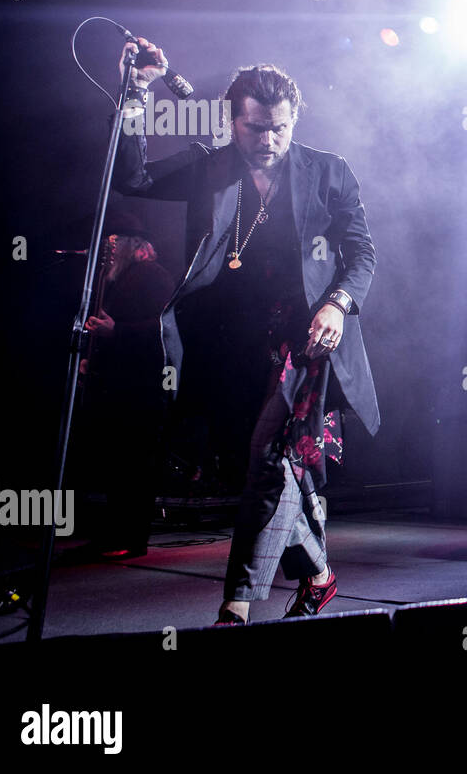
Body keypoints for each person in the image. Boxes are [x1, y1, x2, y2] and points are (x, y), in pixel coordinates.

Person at [113, 40, 380, 625]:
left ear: (293, 121)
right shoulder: (209, 168)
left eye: (279, 129)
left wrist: (337, 304)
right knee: (259, 465)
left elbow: (361, 255)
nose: (268, 141)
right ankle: (318, 573)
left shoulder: (330, 174)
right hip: (229, 347)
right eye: (256, 129)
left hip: (304, 341)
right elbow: (129, 176)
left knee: (266, 455)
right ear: (233, 123)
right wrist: (136, 92)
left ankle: (235, 606)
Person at [79, 206, 176, 558]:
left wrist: (115, 331)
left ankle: (129, 538)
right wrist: (94, 357)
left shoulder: (152, 275)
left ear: (133, 245)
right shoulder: (120, 279)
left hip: (142, 389)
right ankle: (116, 534)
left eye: (114, 241)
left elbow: (165, 331)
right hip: (120, 386)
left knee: (134, 465)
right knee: (119, 464)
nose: (109, 247)